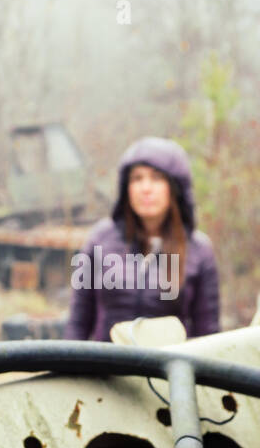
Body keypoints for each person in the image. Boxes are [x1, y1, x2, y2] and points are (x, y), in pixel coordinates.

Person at [64, 136, 221, 341]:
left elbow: (208, 333)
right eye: (137, 178)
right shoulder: (99, 240)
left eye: (156, 178)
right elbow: (77, 323)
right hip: (105, 369)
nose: (145, 188)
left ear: (174, 187)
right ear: (126, 187)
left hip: (167, 370)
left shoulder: (199, 251)